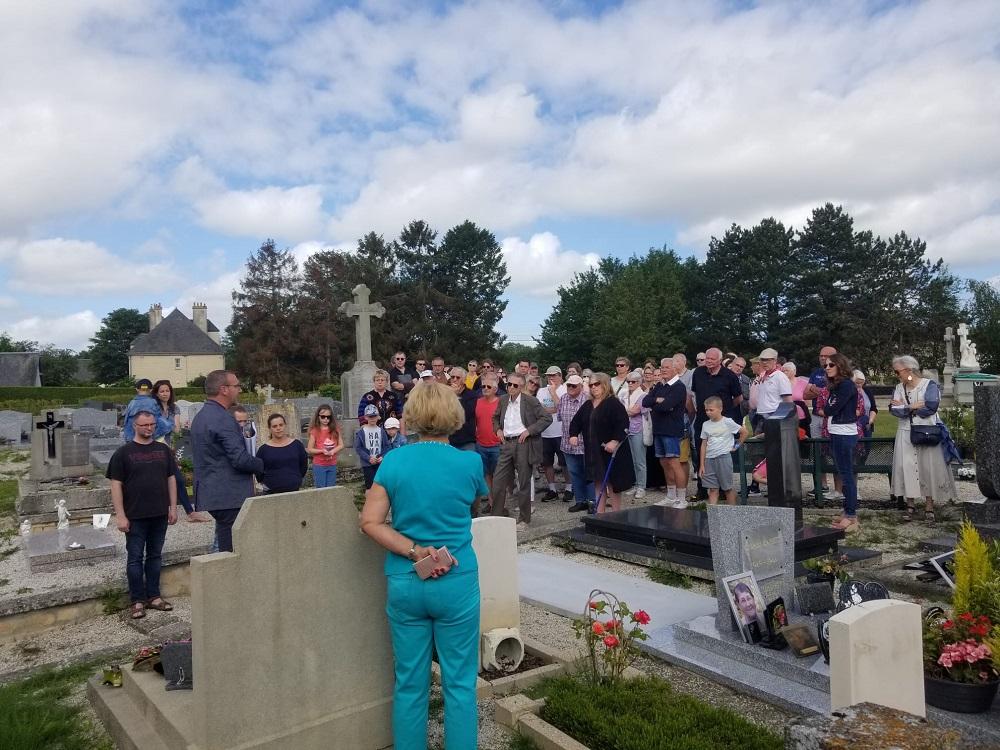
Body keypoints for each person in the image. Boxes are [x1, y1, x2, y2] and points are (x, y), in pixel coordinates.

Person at [359, 381, 486, 749]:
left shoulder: (395, 460)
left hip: (406, 578)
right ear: (454, 414)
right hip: (457, 579)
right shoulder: (470, 461)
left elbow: (370, 522)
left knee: (410, 682)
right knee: (460, 684)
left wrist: (416, 551)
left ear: (412, 415)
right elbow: (473, 502)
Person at [107, 410, 178, 620]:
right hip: (135, 515)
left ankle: (154, 596)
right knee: (135, 558)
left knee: (155, 556)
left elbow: (171, 479)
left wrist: (173, 507)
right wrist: (120, 515)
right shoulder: (123, 453)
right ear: (134, 426)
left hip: (159, 513)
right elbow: (116, 485)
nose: (149, 428)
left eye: (152, 425)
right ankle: (137, 600)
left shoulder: (163, 450)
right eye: (145, 425)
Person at [190, 370, 264, 553]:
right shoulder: (223, 419)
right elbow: (239, 459)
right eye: (236, 386)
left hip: (213, 491)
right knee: (232, 551)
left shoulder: (201, 416)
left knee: (225, 544)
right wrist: (262, 465)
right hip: (228, 494)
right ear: (224, 389)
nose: (239, 389)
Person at [889, 355, 957, 522]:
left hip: (927, 431)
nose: (897, 375)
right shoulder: (899, 387)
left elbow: (931, 407)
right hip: (905, 432)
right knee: (907, 467)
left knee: (928, 467)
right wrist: (912, 406)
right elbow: (893, 409)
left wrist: (904, 408)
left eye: (898, 372)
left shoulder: (929, 385)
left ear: (909, 370)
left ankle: (929, 506)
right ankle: (910, 504)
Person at [488, 373, 552, 529]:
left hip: (523, 443)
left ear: (521, 387)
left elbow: (546, 418)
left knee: (523, 482)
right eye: (508, 384)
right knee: (498, 482)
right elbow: (495, 418)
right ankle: (497, 518)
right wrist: (497, 430)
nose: (510, 387)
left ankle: (524, 519)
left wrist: (529, 431)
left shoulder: (530, 401)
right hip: (506, 443)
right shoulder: (503, 400)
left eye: (515, 385)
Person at [571, 372, 634, 513]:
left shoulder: (613, 403)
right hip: (594, 450)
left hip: (610, 450)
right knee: (598, 481)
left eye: (596, 384)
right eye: (591, 385)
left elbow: (623, 424)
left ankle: (616, 514)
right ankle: (600, 514)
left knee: (612, 482)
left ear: (605, 385)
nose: (593, 387)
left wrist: (615, 440)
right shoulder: (588, 404)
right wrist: (573, 434)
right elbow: (576, 421)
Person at [151, 379, 211, 522]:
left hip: (169, 448)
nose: (165, 394)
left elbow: (176, 429)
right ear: (156, 393)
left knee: (178, 479)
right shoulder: (153, 408)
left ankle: (190, 513)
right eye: (162, 391)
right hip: (154, 448)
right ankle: (161, 513)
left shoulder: (174, 408)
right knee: (158, 482)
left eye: (167, 391)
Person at [690, 348, 743, 500]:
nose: (708, 361)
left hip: (722, 422)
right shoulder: (698, 373)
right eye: (707, 358)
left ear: (720, 360)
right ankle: (702, 488)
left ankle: (722, 490)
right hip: (702, 420)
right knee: (701, 452)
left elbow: (738, 398)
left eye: (712, 359)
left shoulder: (729, 375)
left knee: (720, 455)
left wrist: (722, 412)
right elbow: (694, 393)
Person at [643, 357, 688, 508]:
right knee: (664, 463)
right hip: (658, 429)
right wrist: (658, 400)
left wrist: (657, 403)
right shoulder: (659, 386)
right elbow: (645, 402)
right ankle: (670, 495)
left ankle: (681, 498)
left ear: (675, 369)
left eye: (667, 367)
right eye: (662, 367)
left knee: (674, 463)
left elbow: (666, 405)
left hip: (671, 430)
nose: (663, 370)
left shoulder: (679, 387)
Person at [823, 353, 860, 532]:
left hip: (844, 433)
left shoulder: (845, 385)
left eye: (831, 365)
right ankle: (847, 511)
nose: (827, 367)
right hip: (836, 431)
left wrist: (827, 408)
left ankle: (852, 515)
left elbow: (831, 408)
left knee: (846, 476)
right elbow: (827, 408)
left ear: (840, 366)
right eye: (826, 365)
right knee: (843, 473)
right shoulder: (836, 387)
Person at [699, 396, 747, 505]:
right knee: (712, 489)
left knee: (727, 488)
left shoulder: (727, 422)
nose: (708, 412)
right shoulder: (705, 424)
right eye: (706, 410)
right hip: (709, 459)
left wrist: (736, 445)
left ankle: (731, 513)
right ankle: (713, 514)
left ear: (720, 409)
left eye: (711, 410)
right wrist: (702, 464)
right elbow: (703, 444)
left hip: (723, 457)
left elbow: (744, 432)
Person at [560, 374, 595, 512]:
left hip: (585, 444)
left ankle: (592, 502)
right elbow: (560, 419)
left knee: (590, 474)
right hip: (567, 444)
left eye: (574, 385)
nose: (570, 388)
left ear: (581, 386)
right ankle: (580, 501)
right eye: (568, 385)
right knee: (575, 473)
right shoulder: (563, 399)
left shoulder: (588, 400)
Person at [537, 366, 568, 502]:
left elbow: (562, 408)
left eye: (554, 375)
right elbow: (538, 410)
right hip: (545, 433)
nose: (551, 378)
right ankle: (552, 489)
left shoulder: (565, 389)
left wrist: (553, 392)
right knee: (547, 463)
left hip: (561, 432)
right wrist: (553, 409)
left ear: (560, 376)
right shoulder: (541, 390)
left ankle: (569, 488)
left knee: (564, 463)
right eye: (549, 375)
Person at [256, 414, 308, 494]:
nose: (278, 428)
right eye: (274, 426)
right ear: (269, 429)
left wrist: (296, 478)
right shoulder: (263, 450)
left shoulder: (297, 445)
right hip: (271, 494)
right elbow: (259, 472)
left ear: (285, 425)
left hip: (294, 491)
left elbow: (303, 465)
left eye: (281, 425)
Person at [620, 369, 648, 500]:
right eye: (628, 381)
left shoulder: (642, 396)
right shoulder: (624, 394)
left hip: (638, 430)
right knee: (632, 460)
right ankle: (636, 484)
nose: (630, 383)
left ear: (639, 382)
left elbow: (633, 411)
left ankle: (642, 486)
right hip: (627, 430)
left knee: (640, 460)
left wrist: (623, 411)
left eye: (633, 381)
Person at [474, 373, 502, 494]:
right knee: (486, 475)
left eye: (488, 387)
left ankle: (500, 504)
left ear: (495, 389)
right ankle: (491, 502)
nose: (485, 388)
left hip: (497, 445)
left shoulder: (501, 402)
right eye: (483, 386)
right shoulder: (478, 402)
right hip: (481, 444)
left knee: (499, 476)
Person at [306, 404, 343, 488]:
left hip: (332, 463)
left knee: (331, 489)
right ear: (318, 417)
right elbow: (310, 449)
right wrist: (322, 451)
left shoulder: (335, 429)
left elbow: (341, 445)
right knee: (321, 489)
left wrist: (333, 451)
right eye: (323, 417)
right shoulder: (315, 431)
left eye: (328, 417)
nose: (326, 419)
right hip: (319, 465)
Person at [356, 404, 391, 489]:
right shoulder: (361, 432)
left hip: (379, 462)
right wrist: (368, 458)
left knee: (380, 485)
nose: (372, 418)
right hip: (367, 463)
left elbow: (387, 446)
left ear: (378, 417)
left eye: (374, 416)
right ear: (366, 417)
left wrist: (382, 456)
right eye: (370, 416)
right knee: (369, 486)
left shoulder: (381, 431)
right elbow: (358, 448)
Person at [447, 367, 479, 451]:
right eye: (452, 377)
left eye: (457, 377)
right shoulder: (445, 394)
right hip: (448, 439)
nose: (454, 379)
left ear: (464, 380)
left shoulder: (472, 395)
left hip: (466, 440)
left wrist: (456, 397)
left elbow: (466, 414)